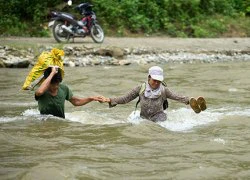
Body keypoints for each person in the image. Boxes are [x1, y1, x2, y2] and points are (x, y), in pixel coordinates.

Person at [102, 66, 206, 122]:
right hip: (144, 117)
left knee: (160, 125)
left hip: (159, 116)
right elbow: (125, 99)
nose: (156, 83)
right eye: (154, 80)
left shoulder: (164, 90)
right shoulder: (140, 88)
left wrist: (190, 101)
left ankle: (197, 105)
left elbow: (177, 96)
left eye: (158, 81)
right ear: (149, 77)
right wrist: (110, 100)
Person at [35, 66, 104, 118]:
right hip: (44, 121)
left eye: (57, 84)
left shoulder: (63, 88)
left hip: (60, 120)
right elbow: (39, 92)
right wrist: (52, 73)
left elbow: (76, 102)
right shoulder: (42, 89)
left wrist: (91, 98)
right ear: (47, 81)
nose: (55, 87)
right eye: (53, 84)